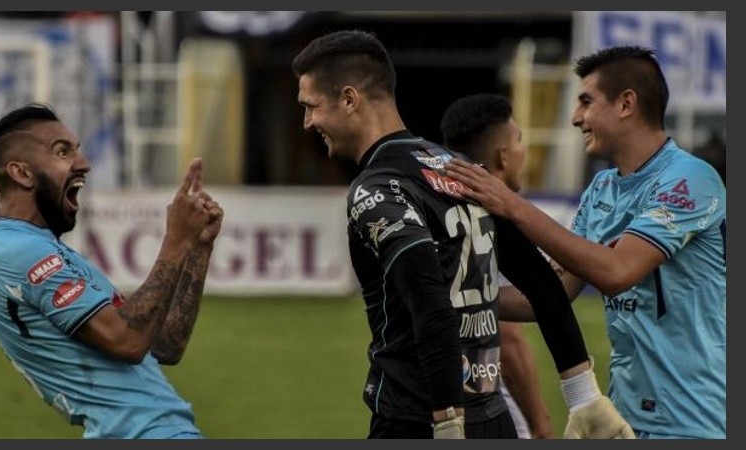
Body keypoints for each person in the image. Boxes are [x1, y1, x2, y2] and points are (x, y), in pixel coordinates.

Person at [292, 29, 632, 439]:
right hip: (494, 418)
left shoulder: (377, 189)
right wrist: (584, 396)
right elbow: (542, 282)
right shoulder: (460, 168)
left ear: (349, 99)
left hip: (418, 420)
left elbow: (431, 303)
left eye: (311, 107)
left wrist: (448, 423)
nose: (307, 123)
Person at [444, 46, 726, 439]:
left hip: (693, 420)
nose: (576, 117)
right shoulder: (602, 188)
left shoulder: (690, 179)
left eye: (586, 102)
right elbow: (549, 293)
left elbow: (616, 272)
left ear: (626, 104)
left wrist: (512, 205)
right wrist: (452, 296)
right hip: (623, 415)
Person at [0, 103, 224, 439]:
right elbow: (128, 341)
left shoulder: (37, 247)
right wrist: (176, 239)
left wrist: (196, 248)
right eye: (63, 151)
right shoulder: (19, 252)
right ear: (21, 173)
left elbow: (163, 346)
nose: (84, 163)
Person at [440, 93, 554, 439]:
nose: (523, 151)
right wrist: (539, 424)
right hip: (483, 394)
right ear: (503, 156)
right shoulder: (490, 218)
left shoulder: (442, 205)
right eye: (519, 140)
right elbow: (509, 338)